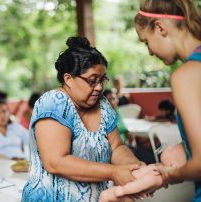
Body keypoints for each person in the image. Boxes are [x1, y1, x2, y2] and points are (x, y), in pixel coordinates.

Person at [22, 37, 145, 202]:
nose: (100, 87)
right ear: (68, 79)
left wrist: (133, 167)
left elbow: (116, 147)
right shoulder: (53, 103)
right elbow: (55, 162)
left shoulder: (103, 105)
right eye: (92, 80)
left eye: (102, 80)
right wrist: (113, 172)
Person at [134, 0, 201, 201]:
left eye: (146, 42)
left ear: (160, 28)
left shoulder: (186, 75)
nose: (150, 52)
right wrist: (184, 148)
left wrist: (171, 174)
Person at [99, 143, 186, 202]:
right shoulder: (157, 168)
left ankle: (106, 196)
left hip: (121, 189)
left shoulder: (156, 176)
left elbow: (137, 185)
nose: (168, 147)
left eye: (171, 150)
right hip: (123, 178)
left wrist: (122, 190)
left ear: (171, 166)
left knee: (120, 197)